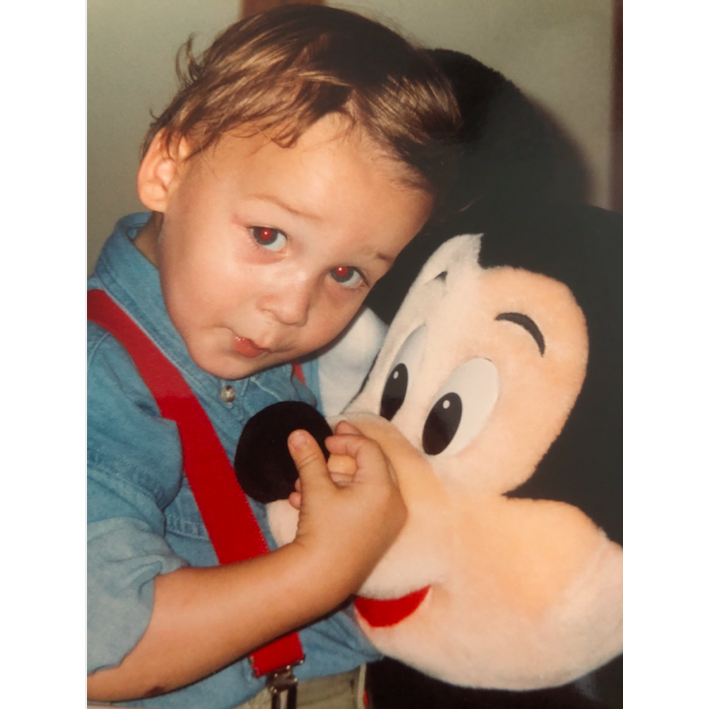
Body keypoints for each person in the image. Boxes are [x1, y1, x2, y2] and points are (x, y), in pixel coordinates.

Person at [87, 5, 460, 708]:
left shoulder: (339, 350)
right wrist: (323, 568)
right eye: (268, 235)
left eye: (346, 273)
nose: (294, 308)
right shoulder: (89, 377)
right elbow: (94, 647)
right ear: (166, 170)